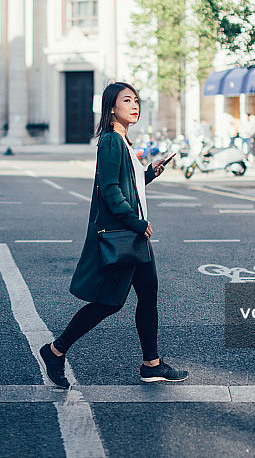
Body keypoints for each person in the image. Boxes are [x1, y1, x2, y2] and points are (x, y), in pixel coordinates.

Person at [38, 81, 188, 389]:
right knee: (109, 302)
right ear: (111, 108)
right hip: (125, 234)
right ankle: (56, 349)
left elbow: (126, 185)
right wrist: (135, 222)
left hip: (132, 236)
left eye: (136, 100)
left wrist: (149, 174)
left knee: (147, 296)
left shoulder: (124, 141)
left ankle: (152, 364)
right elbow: (110, 190)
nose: (134, 105)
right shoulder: (110, 141)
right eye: (127, 100)